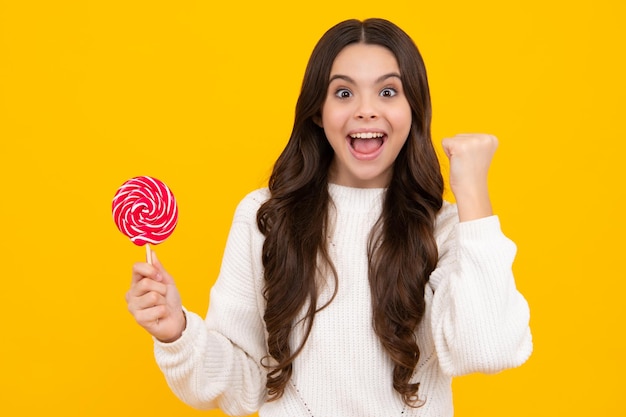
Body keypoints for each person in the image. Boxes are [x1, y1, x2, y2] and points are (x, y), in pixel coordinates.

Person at [125, 18, 532, 417]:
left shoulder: (442, 228)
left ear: (414, 109)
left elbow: (488, 348)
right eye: (343, 93)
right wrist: (177, 331)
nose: (366, 111)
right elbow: (244, 385)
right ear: (318, 111)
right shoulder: (266, 216)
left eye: (388, 91)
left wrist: (474, 195)